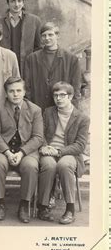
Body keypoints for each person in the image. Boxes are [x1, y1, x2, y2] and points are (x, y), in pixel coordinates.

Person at [0, 76, 44, 223]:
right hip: (2, 149)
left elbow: (38, 137)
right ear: (6, 93)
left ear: (24, 92)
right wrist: (6, 152)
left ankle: (24, 205)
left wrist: (22, 152)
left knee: (31, 166)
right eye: (11, 91)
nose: (15, 94)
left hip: (26, 150)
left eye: (19, 90)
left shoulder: (35, 110)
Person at [37, 82, 89, 224]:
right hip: (48, 151)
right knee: (49, 165)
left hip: (69, 153)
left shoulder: (82, 118)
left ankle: (70, 209)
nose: (58, 98)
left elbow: (80, 145)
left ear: (71, 96)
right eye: (55, 95)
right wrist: (44, 147)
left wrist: (59, 151)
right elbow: (39, 134)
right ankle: (42, 206)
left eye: (62, 95)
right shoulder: (48, 112)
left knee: (65, 165)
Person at [23, 22, 82, 110]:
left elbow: (76, 87)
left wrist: (72, 109)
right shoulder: (32, 59)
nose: (47, 38)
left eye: (50, 35)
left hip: (61, 107)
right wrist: (30, 107)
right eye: (44, 35)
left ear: (57, 36)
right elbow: (27, 86)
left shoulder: (71, 59)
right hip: (38, 107)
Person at [0, 0, 42, 71]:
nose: (16, 4)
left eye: (19, 1)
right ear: (8, 3)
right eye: (13, 1)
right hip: (5, 66)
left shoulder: (34, 21)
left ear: (23, 3)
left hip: (27, 67)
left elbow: (39, 47)